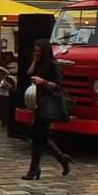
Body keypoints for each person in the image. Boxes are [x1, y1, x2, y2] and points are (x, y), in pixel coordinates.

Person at [23, 39, 72, 180]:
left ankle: (34, 170)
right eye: (35, 51)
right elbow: (29, 73)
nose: (36, 53)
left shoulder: (52, 64)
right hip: (38, 102)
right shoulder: (39, 62)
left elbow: (58, 86)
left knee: (38, 137)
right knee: (39, 137)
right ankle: (62, 159)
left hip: (48, 103)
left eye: (39, 51)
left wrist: (42, 82)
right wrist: (34, 60)